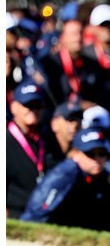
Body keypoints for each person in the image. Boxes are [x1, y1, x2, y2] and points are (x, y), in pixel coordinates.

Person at [22, 127, 110, 233]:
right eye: (90, 154)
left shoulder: (106, 176)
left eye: (102, 153)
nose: (97, 159)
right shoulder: (64, 176)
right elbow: (35, 216)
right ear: (75, 154)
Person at [6, 82, 64, 218]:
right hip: (15, 216)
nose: (33, 110)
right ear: (14, 108)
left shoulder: (48, 139)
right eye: (27, 105)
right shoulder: (5, 140)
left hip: (46, 215)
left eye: (38, 106)